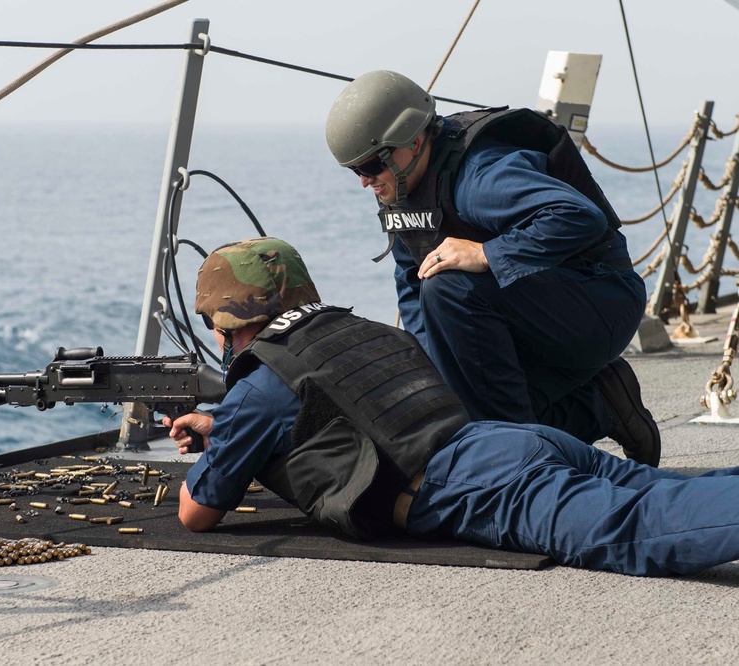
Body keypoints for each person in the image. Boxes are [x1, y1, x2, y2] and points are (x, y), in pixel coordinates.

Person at [164, 237, 739, 577]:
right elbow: (351, 415)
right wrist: (228, 427)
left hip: (478, 484)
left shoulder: (261, 384)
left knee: (640, 531)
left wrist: (226, 431)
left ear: (230, 321)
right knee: (671, 491)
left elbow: (197, 513)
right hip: (515, 443)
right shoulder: (358, 331)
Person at [323, 70, 660, 466]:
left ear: (412, 142)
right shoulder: (404, 189)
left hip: (600, 305)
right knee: (462, 417)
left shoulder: (479, 176)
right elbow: (412, 284)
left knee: (448, 287)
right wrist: (437, 388)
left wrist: (486, 254)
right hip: (535, 312)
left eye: (370, 167)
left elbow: (579, 216)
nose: (365, 182)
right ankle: (602, 403)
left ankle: (521, 468)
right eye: (355, 171)